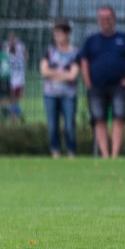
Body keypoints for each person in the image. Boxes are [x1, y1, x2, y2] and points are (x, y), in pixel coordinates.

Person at [79, 6, 125, 159]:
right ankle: (105, 155)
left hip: (119, 86)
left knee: (119, 118)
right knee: (99, 119)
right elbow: (83, 61)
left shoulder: (124, 38)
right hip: (96, 86)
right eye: (102, 18)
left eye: (108, 18)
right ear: (98, 20)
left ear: (114, 19)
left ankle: (115, 155)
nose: (105, 21)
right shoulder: (91, 40)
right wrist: (87, 82)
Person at [40, 20, 80, 158]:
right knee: (52, 126)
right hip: (50, 94)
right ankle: (55, 152)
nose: (57, 36)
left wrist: (54, 73)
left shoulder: (75, 53)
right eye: (55, 33)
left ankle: (71, 152)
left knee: (69, 125)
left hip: (68, 95)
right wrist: (63, 73)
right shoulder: (49, 52)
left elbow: (73, 75)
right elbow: (44, 72)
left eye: (60, 33)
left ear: (67, 34)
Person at [0, 32, 27, 122]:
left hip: (20, 77)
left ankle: (9, 112)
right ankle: (14, 116)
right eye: (10, 40)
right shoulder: (6, 48)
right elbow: (4, 60)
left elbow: (25, 57)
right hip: (11, 78)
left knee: (17, 98)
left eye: (13, 39)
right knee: (11, 99)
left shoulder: (20, 47)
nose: (12, 41)